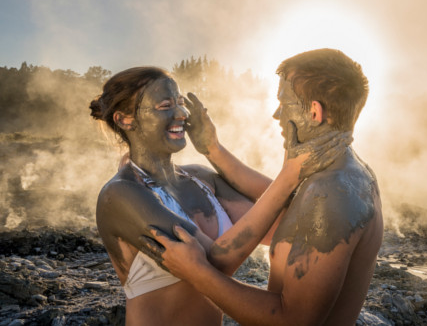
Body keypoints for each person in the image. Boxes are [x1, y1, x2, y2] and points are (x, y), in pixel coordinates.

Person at [143, 49, 384, 326]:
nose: (276, 113)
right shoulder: (347, 170)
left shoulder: (330, 192)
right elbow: (282, 198)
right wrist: (212, 149)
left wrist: (196, 272)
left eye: (284, 102)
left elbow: (292, 319)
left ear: (314, 112)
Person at [91, 66, 346, 326]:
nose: (181, 113)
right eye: (165, 105)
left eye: (180, 103)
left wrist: (212, 148)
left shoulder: (202, 179)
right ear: (125, 119)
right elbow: (213, 265)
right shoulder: (121, 194)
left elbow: (290, 221)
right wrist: (289, 174)